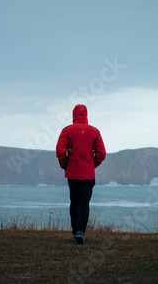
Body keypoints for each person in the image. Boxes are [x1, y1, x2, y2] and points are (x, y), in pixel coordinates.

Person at [56, 104, 106, 244]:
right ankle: (80, 231)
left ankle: (76, 231)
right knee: (84, 203)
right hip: (88, 174)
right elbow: (101, 154)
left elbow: (60, 152)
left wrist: (65, 165)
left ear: (73, 114)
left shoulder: (67, 130)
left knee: (74, 202)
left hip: (73, 174)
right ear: (86, 114)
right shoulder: (95, 131)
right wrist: (92, 165)